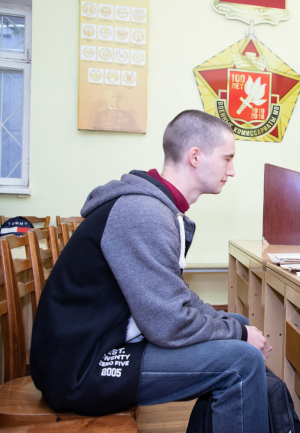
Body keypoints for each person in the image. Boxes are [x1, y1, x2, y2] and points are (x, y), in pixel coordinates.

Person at [31, 110, 271, 433]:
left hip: (104, 344)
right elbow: (168, 324)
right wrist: (239, 335)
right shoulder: (144, 213)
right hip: (81, 367)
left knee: (237, 322)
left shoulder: (157, 208)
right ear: (195, 157)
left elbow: (174, 295)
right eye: (227, 158)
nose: (232, 170)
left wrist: (234, 326)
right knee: (243, 362)